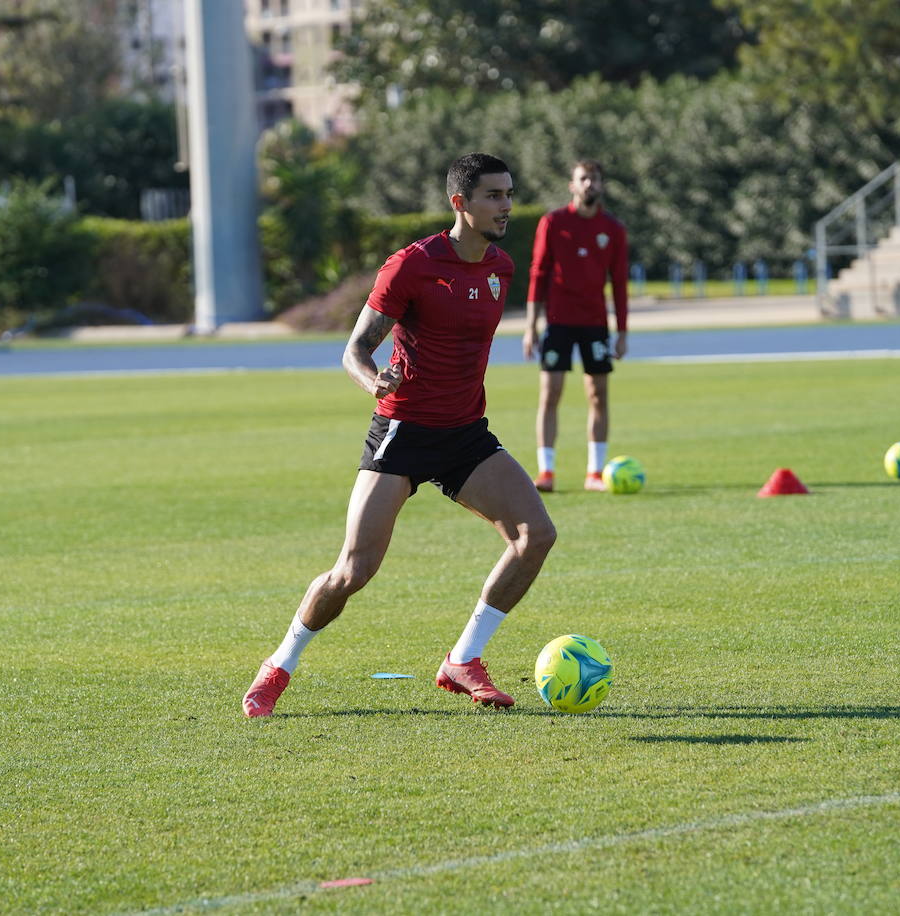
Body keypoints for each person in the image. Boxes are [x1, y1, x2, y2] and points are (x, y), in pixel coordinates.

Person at [242, 152, 557, 718]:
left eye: (510, 193)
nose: (507, 205)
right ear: (460, 202)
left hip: (465, 435)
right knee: (353, 570)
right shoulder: (411, 265)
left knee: (536, 535)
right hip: (403, 432)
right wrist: (373, 381)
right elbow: (354, 350)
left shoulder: (500, 268)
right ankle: (277, 667)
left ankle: (464, 660)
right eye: (493, 195)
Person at [522, 159, 630, 492]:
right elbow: (538, 274)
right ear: (573, 185)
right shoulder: (553, 223)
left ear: (601, 185)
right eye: (583, 179)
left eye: (595, 179)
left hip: (595, 324)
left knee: (597, 395)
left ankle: (595, 473)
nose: (589, 185)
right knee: (550, 393)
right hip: (558, 323)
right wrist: (531, 327)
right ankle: (547, 472)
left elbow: (620, 283)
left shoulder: (612, 229)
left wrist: (622, 331)